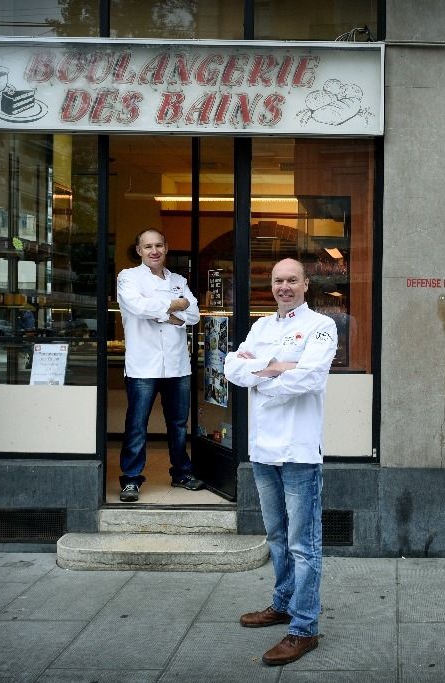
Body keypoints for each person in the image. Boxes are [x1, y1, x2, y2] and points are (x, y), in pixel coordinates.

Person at [224, 258, 337, 666]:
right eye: (278, 280)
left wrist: (263, 373)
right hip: (263, 451)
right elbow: (231, 368)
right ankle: (283, 603)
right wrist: (273, 369)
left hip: (299, 452)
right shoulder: (261, 326)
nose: (284, 286)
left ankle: (304, 628)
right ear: (270, 285)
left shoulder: (322, 326)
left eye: (292, 280)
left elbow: (310, 378)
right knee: (275, 536)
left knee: (303, 545)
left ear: (306, 284)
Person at [116, 229, 205, 502]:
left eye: (158, 245)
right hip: (143, 365)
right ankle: (131, 479)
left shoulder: (178, 279)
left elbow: (193, 315)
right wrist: (174, 307)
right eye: (147, 246)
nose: (153, 251)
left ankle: (181, 472)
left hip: (177, 365)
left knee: (178, 424)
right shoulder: (128, 277)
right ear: (139, 250)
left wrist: (166, 313)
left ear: (166, 248)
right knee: (137, 424)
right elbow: (139, 307)